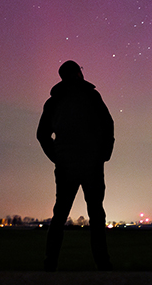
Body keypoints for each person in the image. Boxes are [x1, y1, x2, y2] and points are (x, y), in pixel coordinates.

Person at [36, 60, 114, 271]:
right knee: (96, 214)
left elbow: (42, 134)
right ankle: (102, 263)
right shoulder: (91, 96)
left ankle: (50, 262)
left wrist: (57, 156)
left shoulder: (54, 101)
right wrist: (104, 154)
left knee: (60, 214)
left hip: (69, 164)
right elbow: (108, 124)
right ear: (78, 73)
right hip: (89, 163)